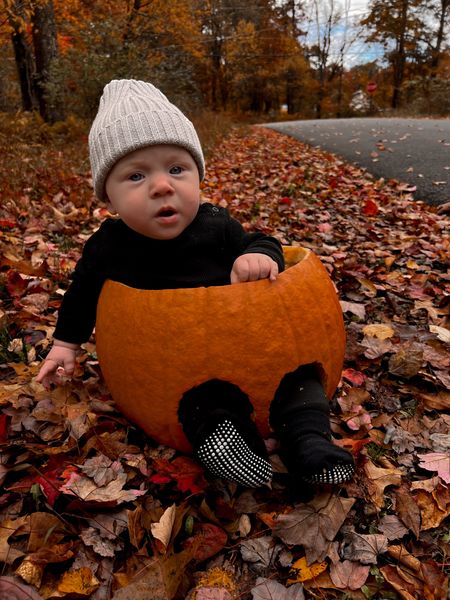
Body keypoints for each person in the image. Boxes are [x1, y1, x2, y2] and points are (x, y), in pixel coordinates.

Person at [36, 79, 354, 488]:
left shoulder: (216, 224)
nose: (162, 185)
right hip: (176, 366)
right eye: (136, 176)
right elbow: (81, 294)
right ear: (108, 198)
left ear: (197, 177)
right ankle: (224, 443)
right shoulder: (108, 246)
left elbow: (262, 241)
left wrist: (256, 256)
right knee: (204, 403)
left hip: (250, 344)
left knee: (300, 382)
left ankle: (310, 440)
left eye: (176, 169)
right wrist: (66, 343)